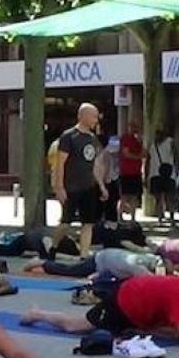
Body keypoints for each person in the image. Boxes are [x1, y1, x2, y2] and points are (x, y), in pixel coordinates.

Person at [21, 274, 179, 348]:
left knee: (173, 331)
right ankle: (39, 314)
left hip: (150, 300)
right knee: (78, 326)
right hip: (127, 299)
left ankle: (140, 327)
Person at [52, 104, 107, 255]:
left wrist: (101, 185)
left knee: (88, 223)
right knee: (65, 223)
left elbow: (95, 164)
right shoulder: (69, 136)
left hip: (88, 186)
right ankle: (53, 246)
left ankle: (84, 255)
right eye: (94, 116)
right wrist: (59, 187)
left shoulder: (92, 138)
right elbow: (60, 163)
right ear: (83, 116)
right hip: (71, 186)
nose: (96, 120)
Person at [23, 248, 166, 280]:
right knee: (69, 271)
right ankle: (41, 261)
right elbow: (155, 282)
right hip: (100, 260)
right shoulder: (139, 266)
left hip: (107, 260)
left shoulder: (147, 259)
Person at [0, 227, 78, 260]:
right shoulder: (51, 239)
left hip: (33, 242)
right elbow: (51, 251)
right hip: (26, 240)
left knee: (10, 250)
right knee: (10, 251)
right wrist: (71, 258)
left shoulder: (64, 238)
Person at [118, 122, 146, 220]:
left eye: (135, 126)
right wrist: (138, 157)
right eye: (132, 126)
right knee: (124, 196)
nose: (134, 128)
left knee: (134, 196)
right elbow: (126, 153)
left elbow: (144, 152)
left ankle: (133, 217)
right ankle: (120, 216)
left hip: (136, 172)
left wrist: (141, 142)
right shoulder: (125, 138)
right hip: (126, 171)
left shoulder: (137, 140)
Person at [148, 129, 177, 225]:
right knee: (158, 198)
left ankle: (171, 217)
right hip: (155, 174)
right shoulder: (152, 145)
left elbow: (175, 154)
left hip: (169, 173)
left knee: (169, 197)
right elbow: (148, 160)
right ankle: (160, 217)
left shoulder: (170, 142)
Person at [97, 132, 121, 223]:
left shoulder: (104, 154)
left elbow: (105, 170)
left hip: (107, 183)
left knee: (107, 209)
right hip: (109, 182)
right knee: (108, 209)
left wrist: (102, 185)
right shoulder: (106, 153)